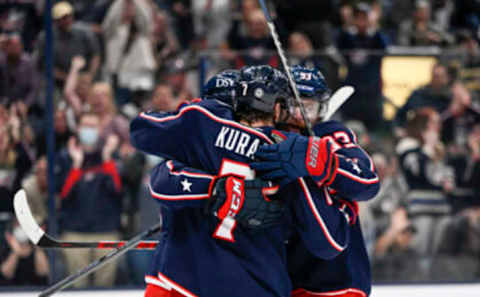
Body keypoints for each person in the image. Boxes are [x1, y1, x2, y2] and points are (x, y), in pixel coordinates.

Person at [131, 66, 354, 297]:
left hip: (183, 279)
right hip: (257, 284)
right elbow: (329, 243)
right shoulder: (290, 152)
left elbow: (146, 143)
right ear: (278, 108)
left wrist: (214, 188)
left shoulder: (202, 123)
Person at [252, 66, 380, 297]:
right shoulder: (262, 141)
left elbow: (368, 181)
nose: (298, 115)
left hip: (338, 284)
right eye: (291, 105)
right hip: (285, 283)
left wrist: (319, 160)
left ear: (322, 110)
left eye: (308, 107)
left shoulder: (330, 135)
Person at [56, 112, 122, 288]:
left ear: (100, 130)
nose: (89, 130)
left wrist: (107, 156)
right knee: (78, 288)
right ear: (78, 129)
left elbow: (116, 191)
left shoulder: (110, 156)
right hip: (75, 233)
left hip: (106, 232)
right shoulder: (65, 157)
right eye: (85, 126)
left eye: (93, 126)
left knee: (105, 288)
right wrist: (76, 164)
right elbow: (63, 196)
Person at [35, 1, 100, 88]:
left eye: (68, 16)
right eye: (62, 18)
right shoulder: (45, 37)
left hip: (85, 79)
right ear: (55, 20)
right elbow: (43, 65)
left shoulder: (84, 32)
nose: (67, 20)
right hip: (57, 82)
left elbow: (95, 55)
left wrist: (90, 75)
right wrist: (68, 78)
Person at [0, 219, 49, 286]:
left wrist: (38, 247)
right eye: (18, 225)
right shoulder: (5, 248)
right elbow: (6, 274)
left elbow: (43, 272)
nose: (21, 228)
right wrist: (16, 251)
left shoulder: (38, 248)